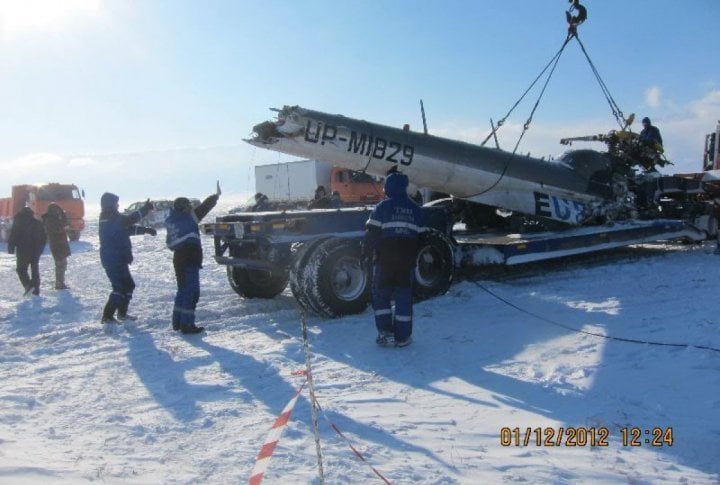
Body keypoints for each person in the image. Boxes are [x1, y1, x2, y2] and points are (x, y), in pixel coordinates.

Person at [363, 172, 424, 348]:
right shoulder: (416, 209)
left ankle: (386, 333)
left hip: (385, 262)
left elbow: (371, 234)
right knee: (404, 298)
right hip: (406, 264)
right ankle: (403, 337)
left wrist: (365, 254)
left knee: (381, 297)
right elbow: (422, 238)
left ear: (388, 187)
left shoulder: (382, 207)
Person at [165, 182, 221, 334]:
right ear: (183, 207)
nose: (191, 208)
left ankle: (177, 321)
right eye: (188, 206)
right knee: (191, 292)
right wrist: (214, 197)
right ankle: (187, 324)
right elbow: (203, 209)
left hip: (179, 259)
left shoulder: (173, 220)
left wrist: (214, 197)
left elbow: (202, 208)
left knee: (182, 290)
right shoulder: (187, 219)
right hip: (189, 259)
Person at [99, 193, 157, 324]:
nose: (118, 205)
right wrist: (145, 208)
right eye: (116, 203)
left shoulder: (112, 217)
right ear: (110, 204)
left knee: (129, 285)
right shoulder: (108, 217)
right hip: (112, 259)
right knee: (119, 288)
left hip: (119, 258)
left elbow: (127, 229)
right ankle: (107, 316)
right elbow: (130, 219)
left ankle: (122, 313)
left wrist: (146, 230)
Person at [7, 206, 47, 296]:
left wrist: (11, 248)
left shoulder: (18, 222)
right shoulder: (37, 223)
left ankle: (28, 286)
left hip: (23, 250)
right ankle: (36, 290)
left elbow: (14, 235)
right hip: (35, 250)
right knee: (34, 269)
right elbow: (44, 237)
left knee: (21, 269)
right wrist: (40, 248)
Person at [42, 203, 71, 290]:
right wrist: (63, 228)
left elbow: (62, 224)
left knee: (62, 264)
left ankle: (60, 282)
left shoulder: (52, 218)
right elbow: (57, 229)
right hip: (57, 244)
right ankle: (59, 284)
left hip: (59, 244)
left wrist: (62, 214)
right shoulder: (50, 220)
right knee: (60, 264)